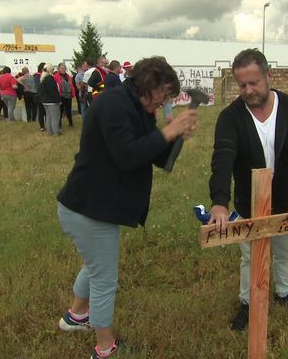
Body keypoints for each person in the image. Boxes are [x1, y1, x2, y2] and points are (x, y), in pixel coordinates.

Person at [56, 56, 197, 359]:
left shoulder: (139, 107)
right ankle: (105, 348)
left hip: (97, 206)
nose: (163, 103)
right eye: (163, 95)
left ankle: (75, 316)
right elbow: (127, 156)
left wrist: (176, 137)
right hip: (87, 208)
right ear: (149, 85)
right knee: (105, 277)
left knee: (95, 264)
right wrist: (167, 133)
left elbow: (159, 159)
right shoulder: (113, 105)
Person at [208, 48, 288, 331]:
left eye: (254, 82)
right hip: (249, 202)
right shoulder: (230, 118)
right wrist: (219, 202)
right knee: (249, 256)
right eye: (242, 84)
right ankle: (247, 301)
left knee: (285, 252)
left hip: (286, 202)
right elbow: (223, 158)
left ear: (269, 75)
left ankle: (284, 293)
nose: (248, 90)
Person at [38, 63, 61, 136]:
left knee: (48, 117)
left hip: (45, 101)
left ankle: (50, 132)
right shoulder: (50, 79)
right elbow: (53, 91)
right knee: (55, 117)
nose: (53, 70)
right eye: (53, 69)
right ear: (50, 69)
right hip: (52, 101)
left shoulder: (43, 78)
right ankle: (55, 132)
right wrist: (58, 100)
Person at [53, 63, 74, 128]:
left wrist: (72, 93)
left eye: (64, 68)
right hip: (61, 96)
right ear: (58, 69)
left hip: (68, 95)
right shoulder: (56, 76)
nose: (64, 69)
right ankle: (59, 124)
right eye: (62, 68)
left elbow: (71, 85)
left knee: (68, 110)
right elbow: (55, 87)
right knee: (60, 111)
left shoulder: (68, 76)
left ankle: (71, 123)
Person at [34, 62, 47, 131]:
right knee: (41, 112)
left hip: (45, 96)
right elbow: (37, 86)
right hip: (40, 96)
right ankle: (42, 126)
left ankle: (47, 125)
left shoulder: (44, 75)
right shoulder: (37, 76)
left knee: (46, 112)